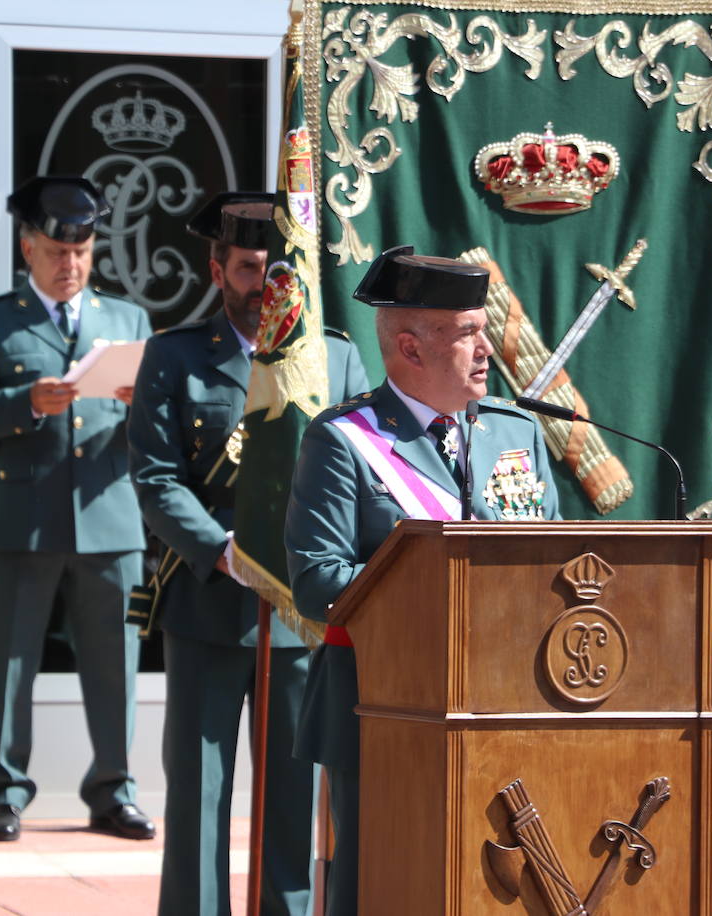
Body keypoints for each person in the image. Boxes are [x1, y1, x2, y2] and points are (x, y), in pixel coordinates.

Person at [284, 246, 560, 915]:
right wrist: (439, 583)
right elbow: (318, 581)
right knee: (377, 879)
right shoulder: (344, 439)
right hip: (381, 701)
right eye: (468, 333)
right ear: (410, 347)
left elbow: (555, 556)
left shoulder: (514, 431)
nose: (487, 348)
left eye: (482, 329)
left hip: (503, 696)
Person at [129, 191, 369, 916]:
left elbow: (360, 474)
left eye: (275, 270)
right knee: (200, 793)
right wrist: (223, 549)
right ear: (218, 270)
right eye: (246, 268)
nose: (262, 285)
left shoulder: (337, 357)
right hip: (208, 598)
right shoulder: (174, 356)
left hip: (299, 610)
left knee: (292, 794)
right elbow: (155, 477)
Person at [0, 176, 153, 843]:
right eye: (57, 253)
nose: (71, 265)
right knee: (9, 658)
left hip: (109, 512)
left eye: (83, 252)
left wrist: (138, 405)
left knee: (115, 661)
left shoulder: (127, 321)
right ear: (28, 248)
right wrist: (23, 403)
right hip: (24, 514)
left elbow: (161, 422)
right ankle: (3, 793)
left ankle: (114, 790)